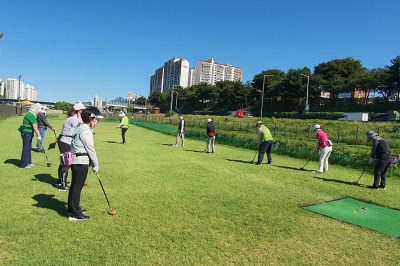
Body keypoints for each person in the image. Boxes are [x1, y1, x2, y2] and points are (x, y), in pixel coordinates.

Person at [68, 106, 101, 221]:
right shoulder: (85, 131)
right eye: (95, 119)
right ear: (90, 118)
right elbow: (90, 149)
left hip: (76, 160)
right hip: (80, 162)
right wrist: (96, 165)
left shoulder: (79, 127)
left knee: (75, 186)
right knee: (77, 187)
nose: (96, 122)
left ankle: (73, 208)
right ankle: (74, 214)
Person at [57, 102, 86, 191]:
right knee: (67, 162)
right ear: (79, 111)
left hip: (65, 141)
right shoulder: (74, 120)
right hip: (66, 141)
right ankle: (62, 184)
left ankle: (60, 180)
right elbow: (79, 129)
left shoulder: (72, 118)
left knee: (64, 161)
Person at [19, 103, 42, 168]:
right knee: (26, 148)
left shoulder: (32, 114)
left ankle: (28, 162)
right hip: (26, 133)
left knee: (29, 148)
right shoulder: (30, 115)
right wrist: (39, 135)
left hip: (29, 132)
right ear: (36, 109)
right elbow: (34, 127)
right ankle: (24, 164)